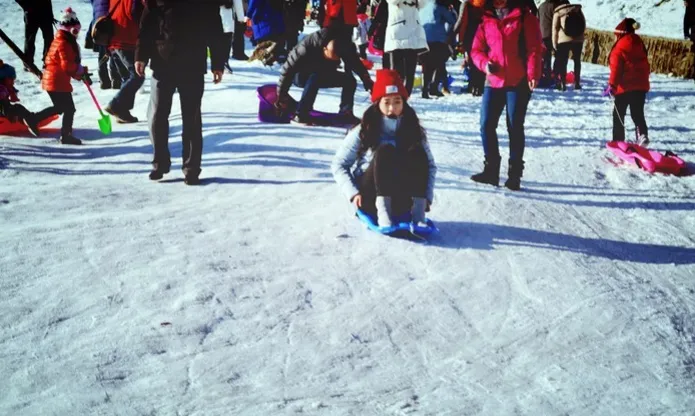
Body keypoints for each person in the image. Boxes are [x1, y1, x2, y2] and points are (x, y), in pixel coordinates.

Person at [331, 69, 436, 229]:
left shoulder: (413, 129)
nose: (392, 108)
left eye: (397, 102)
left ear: (404, 103)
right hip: (370, 197)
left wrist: (426, 197)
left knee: (416, 150)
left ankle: (418, 213)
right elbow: (339, 164)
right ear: (377, 103)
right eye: (386, 102)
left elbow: (429, 165)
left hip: (401, 196)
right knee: (384, 151)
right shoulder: (364, 129)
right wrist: (353, 193)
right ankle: (384, 213)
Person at [135, 0, 226, 185]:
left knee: (191, 117)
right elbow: (146, 27)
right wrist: (141, 56)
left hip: (192, 63)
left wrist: (218, 62)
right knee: (158, 115)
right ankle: (160, 163)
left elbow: (215, 29)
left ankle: (191, 168)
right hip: (163, 61)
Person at [469, 0, 542, 191]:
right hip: (493, 81)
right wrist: (485, 64)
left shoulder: (525, 17)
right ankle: (491, 170)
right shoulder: (486, 19)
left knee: (514, 125)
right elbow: (476, 50)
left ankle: (514, 174)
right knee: (486, 124)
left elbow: (534, 48)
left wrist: (533, 74)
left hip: (517, 81)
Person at [275, 28, 374, 125]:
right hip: (300, 76)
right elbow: (287, 70)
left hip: (322, 73)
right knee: (315, 77)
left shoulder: (343, 45)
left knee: (350, 80)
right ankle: (301, 114)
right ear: (324, 48)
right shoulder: (306, 46)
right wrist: (281, 96)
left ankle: (346, 113)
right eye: (329, 58)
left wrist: (366, 79)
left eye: (336, 60)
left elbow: (355, 63)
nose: (333, 61)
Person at [41, 8, 92, 145]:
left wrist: (81, 75)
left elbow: (68, 66)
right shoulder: (64, 43)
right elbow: (67, 66)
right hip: (56, 81)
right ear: (70, 29)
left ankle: (33, 119)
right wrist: (81, 71)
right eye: (76, 30)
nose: (77, 33)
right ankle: (66, 136)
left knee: (60, 108)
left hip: (55, 80)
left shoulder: (62, 39)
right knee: (69, 109)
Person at [606, 18, 650, 147]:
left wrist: (612, 85)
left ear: (620, 33)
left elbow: (616, 69)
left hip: (624, 87)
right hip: (640, 86)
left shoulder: (619, 48)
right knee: (637, 113)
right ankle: (642, 135)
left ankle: (618, 140)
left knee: (618, 114)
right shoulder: (639, 43)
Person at [103, 0, 145, 123]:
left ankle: (122, 112)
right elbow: (138, 15)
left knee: (127, 77)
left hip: (114, 40)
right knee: (137, 75)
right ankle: (116, 105)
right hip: (126, 40)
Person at [384, 0, 429, 96]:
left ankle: (405, 98)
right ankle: (396, 96)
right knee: (397, 72)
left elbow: (423, 4)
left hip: (412, 35)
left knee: (410, 72)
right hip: (397, 35)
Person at [0, 60, 50, 137]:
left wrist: (12, 94)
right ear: (3, 79)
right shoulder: (2, 89)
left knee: (16, 109)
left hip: (4, 111)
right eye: (11, 79)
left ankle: (25, 119)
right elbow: (3, 105)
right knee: (18, 108)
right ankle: (31, 120)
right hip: (2, 112)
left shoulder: (6, 87)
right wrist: (10, 115)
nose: (13, 82)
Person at [420, 0, 457, 98]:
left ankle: (425, 89)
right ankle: (433, 87)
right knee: (438, 65)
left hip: (424, 39)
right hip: (438, 39)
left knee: (427, 66)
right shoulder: (440, 7)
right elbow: (452, 21)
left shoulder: (422, 6)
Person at [88, 0, 128, 90]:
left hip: (98, 28)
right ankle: (116, 79)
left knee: (103, 56)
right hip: (110, 26)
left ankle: (104, 81)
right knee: (113, 53)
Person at [454, 0, 486, 96]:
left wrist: (454, 35)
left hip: (469, 36)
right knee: (482, 60)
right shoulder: (487, 4)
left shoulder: (466, 4)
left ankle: (473, 86)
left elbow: (461, 21)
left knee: (472, 62)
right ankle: (480, 86)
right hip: (484, 35)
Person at [552, 2, 585, 90]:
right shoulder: (577, 9)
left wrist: (554, 43)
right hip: (578, 39)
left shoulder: (558, 12)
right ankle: (577, 83)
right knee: (577, 61)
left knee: (563, 62)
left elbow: (555, 29)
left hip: (563, 40)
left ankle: (563, 83)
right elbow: (583, 24)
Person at [14, 0, 55, 72]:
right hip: (31, 15)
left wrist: (50, 14)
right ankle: (28, 63)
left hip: (45, 13)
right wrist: (27, 7)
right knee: (30, 40)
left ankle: (48, 62)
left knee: (49, 38)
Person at [247, 0, 286, 65]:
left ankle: (268, 61)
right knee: (275, 45)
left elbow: (254, 2)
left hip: (263, 19)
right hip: (276, 19)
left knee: (265, 46)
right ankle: (276, 59)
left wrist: (248, 14)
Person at [538, 0, 568, 79]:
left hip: (543, 34)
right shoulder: (559, 6)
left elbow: (537, 20)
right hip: (556, 35)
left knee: (546, 57)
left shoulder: (541, 6)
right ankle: (556, 74)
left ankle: (546, 74)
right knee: (559, 56)